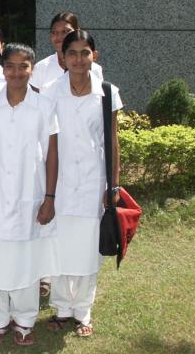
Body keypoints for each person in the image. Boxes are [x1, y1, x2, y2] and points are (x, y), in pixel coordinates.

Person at [41, 30, 123, 337]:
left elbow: (111, 140)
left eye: (84, 52)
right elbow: (44, 139)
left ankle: (83, 310)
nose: (78, 59)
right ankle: (62, 308)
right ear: (62, 57)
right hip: (58, 181)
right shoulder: (49, 90)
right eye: (71, 53)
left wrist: (112, 185)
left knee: (89, 248)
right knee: (60, 244)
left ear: (94, 56)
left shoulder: (107, 92)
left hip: (92, 181)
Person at [0, 43, 59, 347]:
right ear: (3, 68)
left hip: (31, 193)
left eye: (22, 66)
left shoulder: (44, 106)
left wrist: (49, 197)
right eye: (10, 66)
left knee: (27, 259)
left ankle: (25, 320)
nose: (15, 72)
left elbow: (52, 155)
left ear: (31, 69)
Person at [30, 12, 103, 92]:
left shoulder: (94, 69)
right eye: (54, 32)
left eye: (65, 31)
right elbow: (33, 101)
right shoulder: (41, 68)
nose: (59, 37)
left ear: (77, 31)